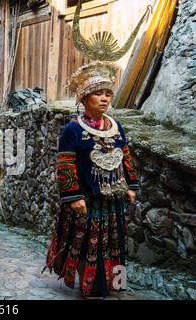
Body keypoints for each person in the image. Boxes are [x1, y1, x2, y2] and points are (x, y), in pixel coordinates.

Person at [45, 61, 139, 298]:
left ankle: (115, 283)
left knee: (116, 242)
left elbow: (125, 158)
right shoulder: (73, 130)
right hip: (87, 200)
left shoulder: (117, 127)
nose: (105, 98)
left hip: (114, 199)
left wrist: (131, 184)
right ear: (85, 98)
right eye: (98, 93)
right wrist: (73, 196)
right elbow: (65, 165)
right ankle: (92, 287)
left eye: (108, 94)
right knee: (89, 244)